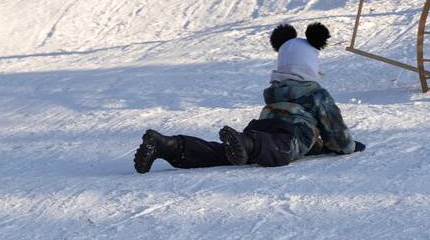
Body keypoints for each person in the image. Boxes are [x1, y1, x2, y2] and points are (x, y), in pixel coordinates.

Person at [132, 22, 365, 173]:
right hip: (291, 134)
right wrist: (350, 146)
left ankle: (170, 146)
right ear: (311, 66)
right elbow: (338, 136)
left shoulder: (275, 89)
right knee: (280, 150)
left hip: (262, 127)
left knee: (226, 153)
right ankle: (247, 144)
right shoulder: (316, 94)